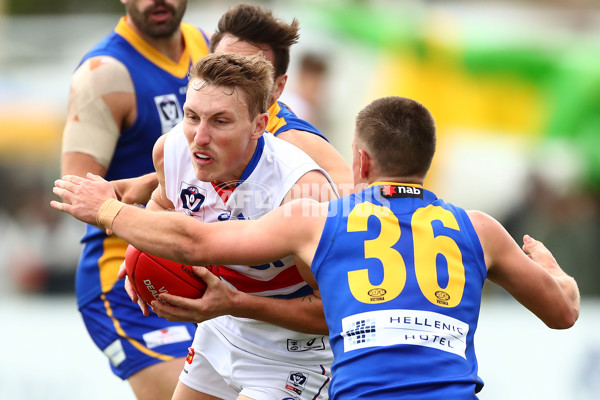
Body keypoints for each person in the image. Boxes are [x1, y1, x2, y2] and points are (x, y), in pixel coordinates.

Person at [52, 96, 580, 399]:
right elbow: (562, 313)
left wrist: (109, 211)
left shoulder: (321, 220)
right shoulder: (480, 229)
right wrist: (556, 273)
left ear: (361, 162)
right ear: (427, 160)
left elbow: (195, 239)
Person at [61, 52, 336, 399]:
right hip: (219, 333)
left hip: (293, 353)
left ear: (258, 125)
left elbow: (329, 313)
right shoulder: (172, 149)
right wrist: (139, 255)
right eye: (192, 117)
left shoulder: (299, 190)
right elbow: (163, 206)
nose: (199, 138)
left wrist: (235, 303)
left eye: (220, 121)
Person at [60, 0, 210, 398]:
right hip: (132, 277)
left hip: (207, 267)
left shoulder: (208, 46)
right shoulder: (104, 75)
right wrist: (158, 184)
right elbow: (73, 190)